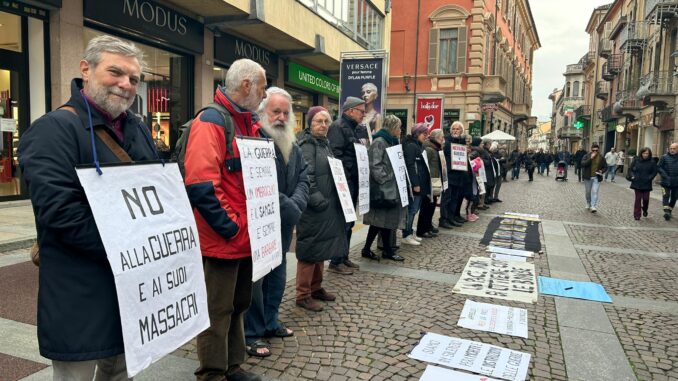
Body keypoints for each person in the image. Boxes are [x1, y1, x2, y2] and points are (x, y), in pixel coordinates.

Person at [19, 35, 159, 380]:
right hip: (79, 294)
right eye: (116, 72)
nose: (126, 85)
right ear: (86, 69)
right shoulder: (52, 130)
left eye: (134, 78)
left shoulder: (136, 129)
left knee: (121, 372)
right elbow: (61, 213)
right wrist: (131, 247)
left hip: (130, 293)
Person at [184, 58, 267, 381]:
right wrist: (233, 228)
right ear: (246, 85)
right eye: (261, 86)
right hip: (224, 241)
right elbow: (202, 185)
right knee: (216, 311)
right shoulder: (212, 121)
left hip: (244, 238)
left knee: (238, 304)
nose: (263, 94)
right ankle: (213, 373)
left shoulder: (247, 122)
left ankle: (232, 366)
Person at [244, 87, 309, 357]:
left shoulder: (291, 143)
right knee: (256, 283)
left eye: (286, 112)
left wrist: (294, 205)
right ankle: (251, 334)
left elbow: (305, 176)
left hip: (282, 226)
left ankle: (270, 322)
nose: (281, 117)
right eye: (275, 111)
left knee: (277, 276)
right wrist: (292, 206)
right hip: (259, 225)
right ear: (262, 113)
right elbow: (261, 184)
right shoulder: (252, 139)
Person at [295, 106, 346, 312]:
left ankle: (316, 288)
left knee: (321, 248)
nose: (323, 125)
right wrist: (317, 200)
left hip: (326, 207)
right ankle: (302, 294)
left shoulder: (325, 144)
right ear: (310, 123)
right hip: (314, 207)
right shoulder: (307, 144)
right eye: (318, 121)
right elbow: (307, 176)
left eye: (326, 121)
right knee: (309, 249)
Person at [326, 96, 366, 274]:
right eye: (361, 111)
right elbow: (336, 155)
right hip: (345, 182)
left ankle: (344, 256)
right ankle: (336, 261)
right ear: (350, 110)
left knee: (349, 222)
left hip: (354, 181)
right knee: (342, 222)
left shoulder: (355, 128)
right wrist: (349, 173)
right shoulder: (338, 127)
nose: (363, 115)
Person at [362, 114, 407, 260]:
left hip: (389, 188)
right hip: (383, 190)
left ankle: (383, 249)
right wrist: (387, 179)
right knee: (380, 221)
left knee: (384, 221)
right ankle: (375, 249)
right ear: (393, 127)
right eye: (399, 127)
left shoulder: (391, 141)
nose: (400, 130)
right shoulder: (380, 141)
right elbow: (374, 165)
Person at [402, 123, 431, 245]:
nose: (426, 136)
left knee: (414, 209)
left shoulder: (418, 145)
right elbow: (410, 166)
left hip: (420, 183)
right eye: (424, 134)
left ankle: (409, 232)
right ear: (417, 133)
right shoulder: (411, 146)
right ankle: (406, 234)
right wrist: (415, 183)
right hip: (415, 184)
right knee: (412, 210)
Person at [417, 128, 444, 238]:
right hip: (430, 182)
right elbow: (424, 167)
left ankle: (428, 226)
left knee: (432, 206)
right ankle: (422, 229)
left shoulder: (436, 148)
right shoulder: (429, 148)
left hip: (435, 181)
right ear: (437, 138)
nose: (443, 139)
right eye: (442, 137)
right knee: (426, 207)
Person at [441, 122, 468, 228]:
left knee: (454, 199)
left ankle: (451, 218)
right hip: (449, 175)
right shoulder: (447, 142)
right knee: (446, 199)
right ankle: (443, 219)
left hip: (458, 175)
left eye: (458, 129)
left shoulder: (462, 142)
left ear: (461, 131)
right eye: (454, 129)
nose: (455, 131)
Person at [628, 147, 657, 220]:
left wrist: (650, 177)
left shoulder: (652, 161)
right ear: (641, 153)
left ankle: (645, 209)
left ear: (649, 154)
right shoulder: (636, 160)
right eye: (644, 153)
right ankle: (637, 215)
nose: (645, 155)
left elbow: (654, 171)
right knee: (638, 199)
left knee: (646, 199)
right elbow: (630, 169)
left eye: (647, 153)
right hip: (637, 182)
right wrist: (632, 176)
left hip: (646, 183)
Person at [580, 143, 607, 213]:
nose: (595, 151)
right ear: (591, 150)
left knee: (595, 191)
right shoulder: (586, 156)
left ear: (598, 150)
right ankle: (588, 203)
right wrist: (590, 158)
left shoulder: (601, 157)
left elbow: (605, 167)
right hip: (588, 177)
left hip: (596, 177)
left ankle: (593, 206)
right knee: (588, 192)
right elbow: (583, 164)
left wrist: (602, 171)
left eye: (596, 150)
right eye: (593, 150)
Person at [658, 142, 678, 221]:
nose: (672, 150)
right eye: (671, 148)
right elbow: (659, 167)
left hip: (676, 182)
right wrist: (664, 175)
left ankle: (669, 210)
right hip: (665, 181)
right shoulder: (664, 157)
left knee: (674, 197)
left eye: (674, 148)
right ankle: (666, 212)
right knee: (666, 195)